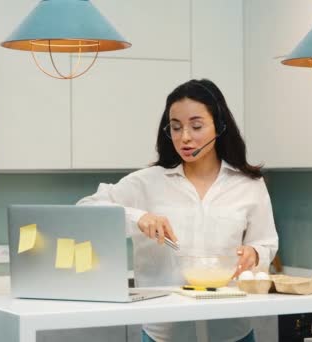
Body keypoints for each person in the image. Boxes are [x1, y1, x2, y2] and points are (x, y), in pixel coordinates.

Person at [77, 79, 279, 342]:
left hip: (233, 330)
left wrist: (255, 253)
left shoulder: (249, 185)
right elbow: (86, 209)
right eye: (175, 127)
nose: (184, 137)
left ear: (219, 127)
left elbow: (265, 243)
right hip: (164, 332)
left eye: (196, 126)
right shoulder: (147, 182)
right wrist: (138, 218)